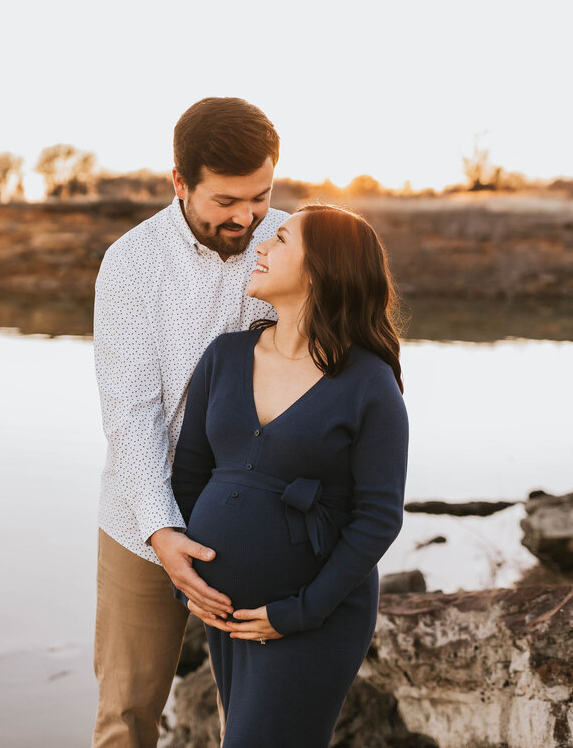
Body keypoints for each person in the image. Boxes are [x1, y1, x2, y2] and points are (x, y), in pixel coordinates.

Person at [171, 204, 410, 747]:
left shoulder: (368, 383)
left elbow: (378, 518)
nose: (260, 246)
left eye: (279, 239)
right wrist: (189, 578)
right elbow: (189, 473)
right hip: (227, 615)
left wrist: (300, 611)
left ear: (320, 268)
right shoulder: (225, 356)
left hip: (309, 618)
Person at [91, 97, 290, 748]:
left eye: (259, 195)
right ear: (181, 183)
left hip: (261, 521)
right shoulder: (130, 262)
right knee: (126, 713)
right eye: (225, 200)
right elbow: (130, 412)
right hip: (142, 523)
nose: (247, 216)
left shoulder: (295, 244)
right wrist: (161, 529)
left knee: (258, 721)